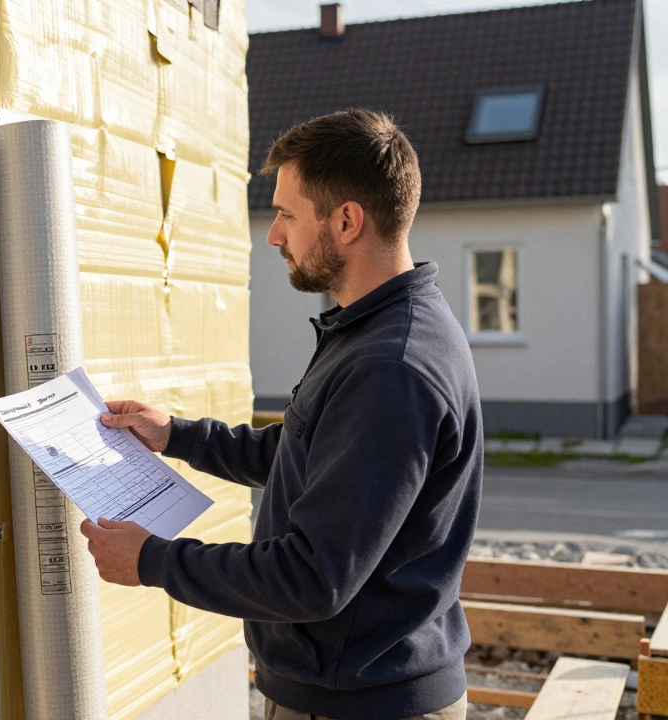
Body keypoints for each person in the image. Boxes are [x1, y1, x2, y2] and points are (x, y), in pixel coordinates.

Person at [80, 109, 481, 720]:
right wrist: (176, 435)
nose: (272, 234)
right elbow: (304, 456)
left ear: (347, 220)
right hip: (346, 693)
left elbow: (312, 576)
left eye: (288, 214)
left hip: (366, 706)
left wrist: (152, 560)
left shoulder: (390, 367)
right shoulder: (371, 331)